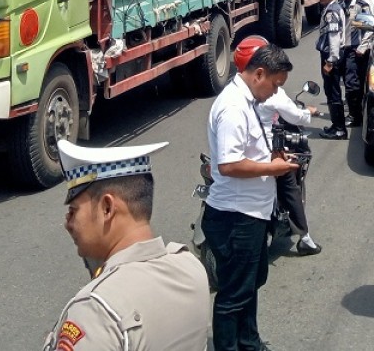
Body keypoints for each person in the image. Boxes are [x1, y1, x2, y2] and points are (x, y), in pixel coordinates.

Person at [46, 140, 209, 351]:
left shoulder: (95, 312)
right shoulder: (191, 268)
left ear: (107, 208)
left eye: (74, 211)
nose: (67, 223)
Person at [202, 42, 300, 351]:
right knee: (233, 294)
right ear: (259, 74)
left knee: (251, 283)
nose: (275, 92)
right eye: (275, 84)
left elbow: (247, 150)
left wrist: (273, 156)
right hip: (236, 216)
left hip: (252, 213)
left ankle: (249, 341)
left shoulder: (248, 102)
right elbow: (229, 164)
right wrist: (273, 168)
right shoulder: (233, 107)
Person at [235, 35, 322, 257]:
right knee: (289, 183)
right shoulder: (271, 94)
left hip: (245, 149)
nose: (275, 88)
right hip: (263, 149)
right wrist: (308, 112)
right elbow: (296, 116)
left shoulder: (235, 90)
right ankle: (305, 237)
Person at [316, 0, 350, 140]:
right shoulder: (334, 8)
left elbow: (334, 37)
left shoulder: (332, 12)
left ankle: (339, 129)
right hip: (333, 55)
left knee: (333, 92)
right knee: (332, 91)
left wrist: (330, 61)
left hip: (331, 56)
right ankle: (336, 126)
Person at [341, 0, 374, 130]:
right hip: (343, 49)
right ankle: (355, 113)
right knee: (349, 82)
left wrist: (362, 48)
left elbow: (369, 29)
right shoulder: (339, 5)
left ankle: (356, 116)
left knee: (354, 83)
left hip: (357, 50)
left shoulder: (362, 6)